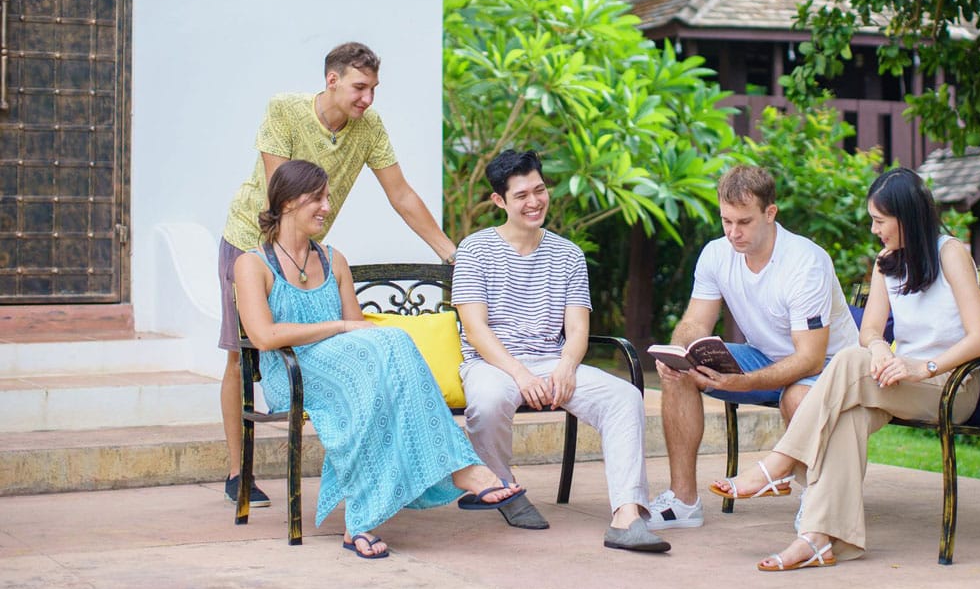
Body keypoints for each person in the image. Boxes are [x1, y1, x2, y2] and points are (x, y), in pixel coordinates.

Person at [234, 160, 522, 560]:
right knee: (376, 364)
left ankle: (362, 521)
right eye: (317, 198)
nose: (326, 206)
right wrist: (338, 328)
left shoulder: (333, 260)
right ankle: (457, 467)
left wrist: (346, 329)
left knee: (387, 352)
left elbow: (359, 329)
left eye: (327, 197)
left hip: (349, 366)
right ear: (286, 202)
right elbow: (264, 336)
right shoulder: (252, 263)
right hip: (294, 372)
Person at [711, 166, 980, 570]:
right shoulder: (887, 261)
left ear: (907, 216)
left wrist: (921, 367)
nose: (875, 229)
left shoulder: (952, 254)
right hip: (898, 380)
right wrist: (880, 349)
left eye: (880, 221)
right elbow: (871, 329)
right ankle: (820, 540)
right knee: (847, 416)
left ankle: (777, 465)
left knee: (847, 361)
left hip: (951, 384)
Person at [217, 42, 457, 508]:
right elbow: (279, 189)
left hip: (304, 249)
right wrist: (278, 261)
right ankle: (237, 473)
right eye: (359, 87)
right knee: (237, 356)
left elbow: (401, 193)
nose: (367, 98)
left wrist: (449, 252)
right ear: (332, 79)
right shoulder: (286, 109)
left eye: (374, 89)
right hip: (252, 240)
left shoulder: (369, 128)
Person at [452, 149, 670, 553]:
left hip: (553, 360)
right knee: (488, 397)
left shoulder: (568, 254)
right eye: (521, 195)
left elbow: (577, 328)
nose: (534, 201)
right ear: (499, 201)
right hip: (493, 362)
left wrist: (568, 367)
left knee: (624, 397)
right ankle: (503, 488)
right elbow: (476, 329)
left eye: (539, 190)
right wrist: (520, 374)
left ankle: (627, 515)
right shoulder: (474, 250)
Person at [646, 164, 859, 531]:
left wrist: (745, 383)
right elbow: (696, 322)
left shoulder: (805, 263)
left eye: (743, 222)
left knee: (796, 398)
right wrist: (678, 351)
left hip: (829, 366)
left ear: (770, 213)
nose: (733, 233)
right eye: (726, 221)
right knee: (679, 374)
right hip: (764, 357)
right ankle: (683, 502)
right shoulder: (716, 254)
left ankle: (815, 500)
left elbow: (809, 358)